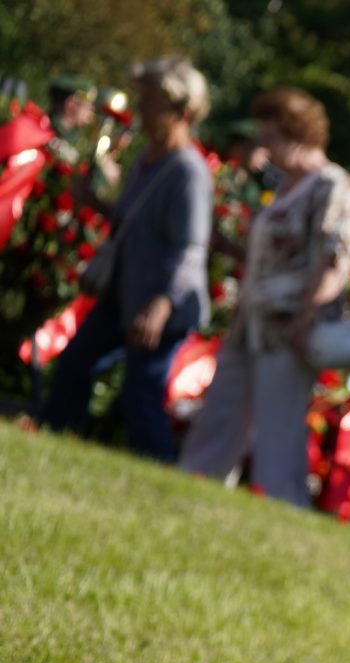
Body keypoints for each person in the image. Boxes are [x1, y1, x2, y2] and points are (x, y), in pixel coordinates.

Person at [176, 88, 350, 505]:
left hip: (289, 326)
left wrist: (304, 319)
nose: (263, 145)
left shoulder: (331, 186)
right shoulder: (286, 186)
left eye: (271, 135)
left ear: (300, 135)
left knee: (278, 426)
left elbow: (333, 260)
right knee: (221, 412)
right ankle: (195, 490)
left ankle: (280, 503)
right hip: (251, 322)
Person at [39, 57, 213, 462]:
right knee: (75, 366)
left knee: (141, 396)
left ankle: (158, 479)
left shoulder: (188, 172)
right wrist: (97, 203)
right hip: (126, 293)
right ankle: (54, 446)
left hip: (160, 305)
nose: (142, 112)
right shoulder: (149, 159)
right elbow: (134, 222)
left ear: (182, 113)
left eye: (152, 103)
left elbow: (190, 248)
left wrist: (159, 305)